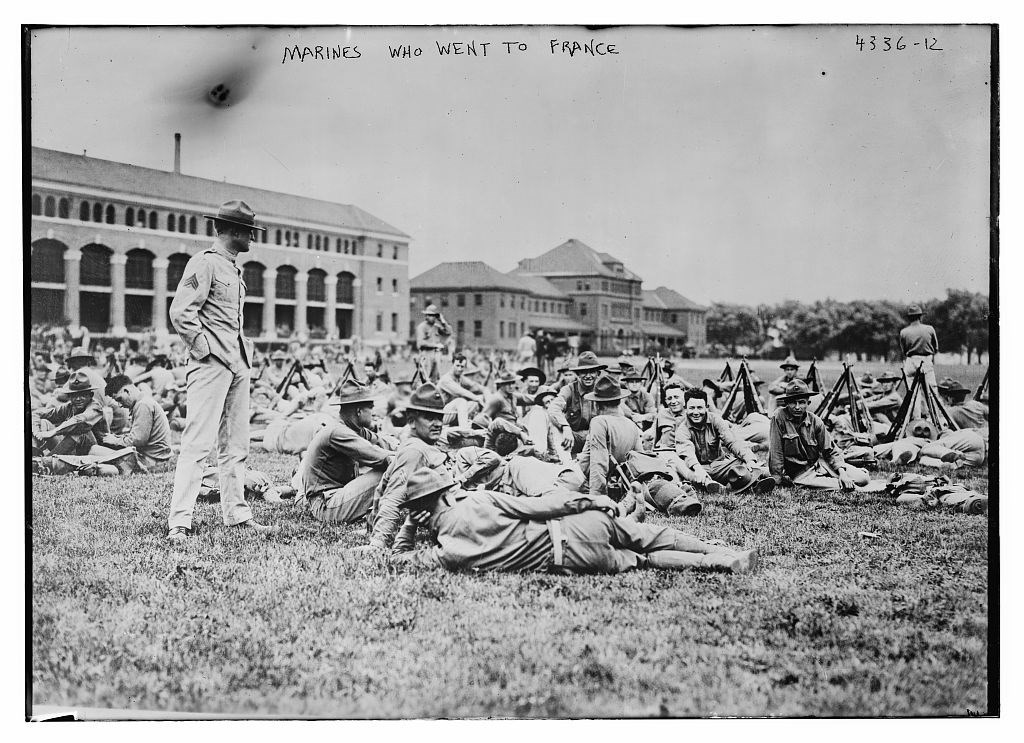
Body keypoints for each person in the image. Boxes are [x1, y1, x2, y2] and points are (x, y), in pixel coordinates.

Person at [380, 468, 759, 574]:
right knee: (652, 535)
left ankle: (720, 565)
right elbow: (541, 506)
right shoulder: (479, 499)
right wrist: (591, 500)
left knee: (643, 561)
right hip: (577, 525)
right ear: (447, 491)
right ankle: (726, 551)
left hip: (570, 560)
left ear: (420, 513)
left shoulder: (448, 554)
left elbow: (399, 559)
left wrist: (410, 528)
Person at [166, 199, 275, 541]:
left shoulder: (233, 268)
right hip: (211, 365)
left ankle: (238, 514)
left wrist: (236, 359)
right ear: (233, 231)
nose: (252, 240)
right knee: (197, 444)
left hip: (238, 363)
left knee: (236, 444)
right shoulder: (205, 263)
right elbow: (181, 312)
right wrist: (206, 351)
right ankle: (180, 521)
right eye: (249, 233)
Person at [365, 383, 452, 552]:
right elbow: (392, 496)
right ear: (411, 421)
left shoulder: (414, 445)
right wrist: (378, 541)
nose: (437, 424)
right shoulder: (415, 449)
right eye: (429, 418)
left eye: (439, 418)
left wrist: (373, 525)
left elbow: (382, 489)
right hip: (453, 519)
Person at [294, 380, 396, 524]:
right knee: (388, 471)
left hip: (336, 498)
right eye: (370, 408)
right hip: (325, 506)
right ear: (359, 411)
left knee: (400, 462)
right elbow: (380, 457)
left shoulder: (355, 430)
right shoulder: (337, 432)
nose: (373, 412)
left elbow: (387, 445)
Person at [768, 381, 869, 491]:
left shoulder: (815, 421)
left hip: (820, 464)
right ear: (786, 403)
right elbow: (776, 451)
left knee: (863, 479)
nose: (797, 407)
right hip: (800, 474)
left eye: (801, 402)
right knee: (843, 486)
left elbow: (830, 450)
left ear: (808, 403)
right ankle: (768, 474)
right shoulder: (779, 417)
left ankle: (841, 476)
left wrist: (842, 473)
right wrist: (776, 480)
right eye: (793, 403)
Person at [674, 389, 773, 494]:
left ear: (706, 407)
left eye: (699, 408)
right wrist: (698, 468)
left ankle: (757, 479)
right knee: (682, 468)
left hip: (720, 466)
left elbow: (732, 442)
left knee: (741, 462)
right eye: (692, 408)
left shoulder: (715, 420)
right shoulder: (682, 429)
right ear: (685, 409)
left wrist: (750, 460)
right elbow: (687, 453)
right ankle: (726, 485)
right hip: (699, 469)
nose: (696, 412)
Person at [96, 374, 173, 472]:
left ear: (127, 391)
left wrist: (114, 440)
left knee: (95, 451)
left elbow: (138, 440)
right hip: (155, 458)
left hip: (151, 462)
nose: (120, 405)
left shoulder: (143, 405)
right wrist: (116, 438)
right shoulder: (143, 402)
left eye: (119, 399)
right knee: (99, 453)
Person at [32, 370, 110, 455]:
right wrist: (36, 432)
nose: (78, 399)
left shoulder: (95, 407)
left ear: (90, 395)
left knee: (80, 432)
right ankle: (35, 453)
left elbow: (79, 421)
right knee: (44, 422)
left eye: (83, 394)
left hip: (97, 452)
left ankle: (47, 462)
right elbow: (36, 414)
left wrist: (52, 432)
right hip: (74, 449)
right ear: (69, 397)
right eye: (74, 395)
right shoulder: (69, 407)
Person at [550, 351, 607, 455]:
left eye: (592, 372)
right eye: (584, 372)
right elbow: (553, 408)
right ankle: (565, 464)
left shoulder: (603, 391)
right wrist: (565, 427)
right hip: (573, 438)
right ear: (577, 374)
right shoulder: (569, 389)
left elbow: (619, 412)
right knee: (555, 430)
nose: (588, 376)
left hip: (597, 439)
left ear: (598, 374)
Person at [899, 304, 939, 415]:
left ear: (909, 318)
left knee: (913, 394)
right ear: (920, 317)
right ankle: (935, 419)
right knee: (931, 392)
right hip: (926, 360)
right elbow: (936, 348)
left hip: (911, 361)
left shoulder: (904, 332)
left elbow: (904, 351)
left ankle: (916, 421)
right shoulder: (929, 329)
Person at [437, 352, 488, 427]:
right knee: (461, 401)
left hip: (453, 413)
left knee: (474, 403)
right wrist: (477, 398)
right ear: (452, 364)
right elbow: (461, 392)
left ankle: (472, 423)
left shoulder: (460, 377)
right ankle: (464, 429)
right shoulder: (445, 379)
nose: (459, 369)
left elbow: (475, 386)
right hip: (441, 414)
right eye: (457, 365)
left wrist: (485, 392)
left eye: (462, 366)